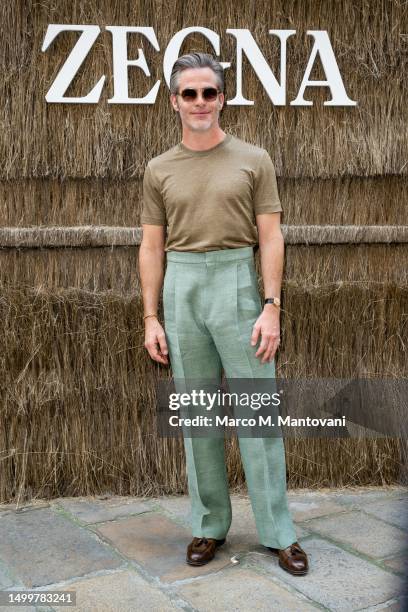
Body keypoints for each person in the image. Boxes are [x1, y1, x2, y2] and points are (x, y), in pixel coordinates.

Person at [139, 52, 308, 576]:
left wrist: (271, 306)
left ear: (222, 98)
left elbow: (271, 235)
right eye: (188, 93)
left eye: (208, 92)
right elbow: (150, 247)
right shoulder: (159, 169)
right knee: (198, 414)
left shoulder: (253, 159)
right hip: (183, 285)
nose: (199, 102)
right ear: (174, 101)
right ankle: (209, 525)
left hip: (238, 281)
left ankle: (279, 532)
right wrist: (151, 316)